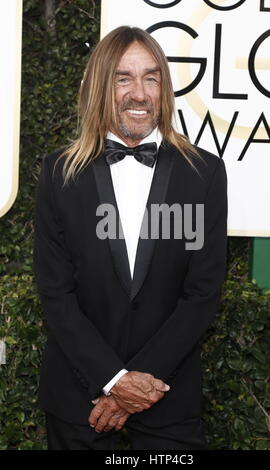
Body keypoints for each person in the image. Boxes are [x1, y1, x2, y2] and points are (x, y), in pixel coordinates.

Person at [33, 25, 227, 451]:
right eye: (124, 78)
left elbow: (203, 293)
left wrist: (136, 386)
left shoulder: (204, 174)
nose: (139, 93)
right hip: (78, 401)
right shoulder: (59, 173)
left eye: (151, 77)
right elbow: (55, 293)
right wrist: (114, 379)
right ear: (101, 86)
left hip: (168, 400)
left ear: (164, 88)